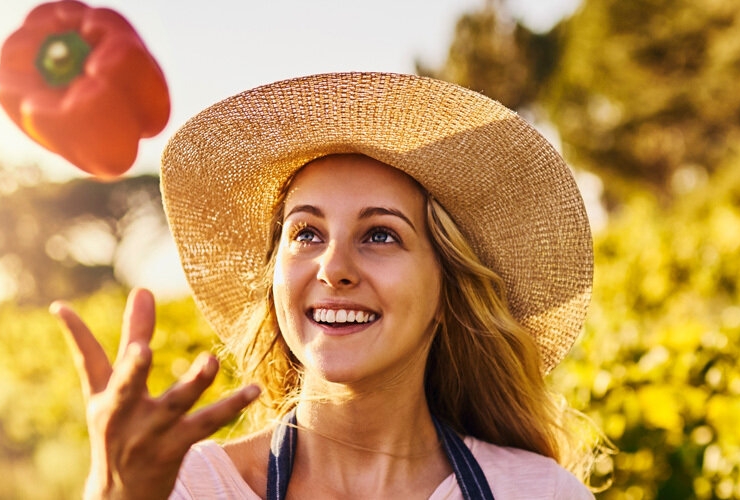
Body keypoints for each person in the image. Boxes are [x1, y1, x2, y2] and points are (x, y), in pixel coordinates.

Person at [50, 72, 602, 499]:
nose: (333, 267)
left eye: (381, 235)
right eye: (307, 233)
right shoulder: (189, 487)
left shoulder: (537, 491)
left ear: (447, 291)